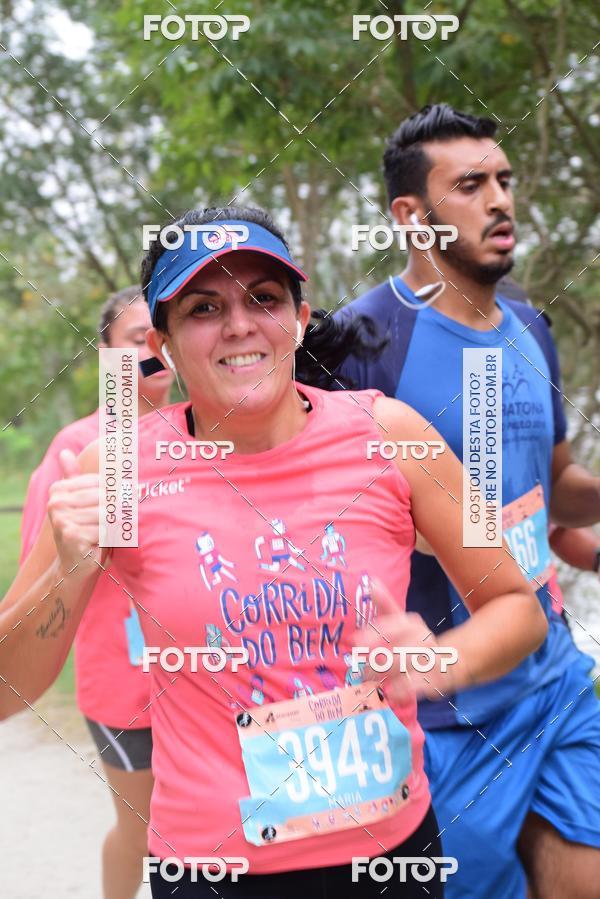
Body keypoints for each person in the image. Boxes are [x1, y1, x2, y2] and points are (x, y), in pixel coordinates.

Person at [0, 205, 547, 898]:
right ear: (163, 346)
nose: (239, 324)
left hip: (390, 858)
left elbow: (516, 605)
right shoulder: (112, 468)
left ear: (298, 315)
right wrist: (66, 569)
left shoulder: (391, 434)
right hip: (214, 870)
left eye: (263, 297)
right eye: (204, 307)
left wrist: (443, 659)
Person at [333, 104, 600, 899]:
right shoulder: (358, 342)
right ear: (411, 216)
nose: (501, 201)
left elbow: (553, 488)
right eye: (472, 185)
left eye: (505, 181)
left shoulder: (530, 326)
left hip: (552, 675)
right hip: (445, 712)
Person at [18, 287, 174, 899]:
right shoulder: (75, 451)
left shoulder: (205, 439)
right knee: (143, 832)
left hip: (209, 678)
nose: (153, 355)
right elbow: (35, 588)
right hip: (123, 686)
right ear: (106, 355)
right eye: (137, 342)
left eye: (159, 339)